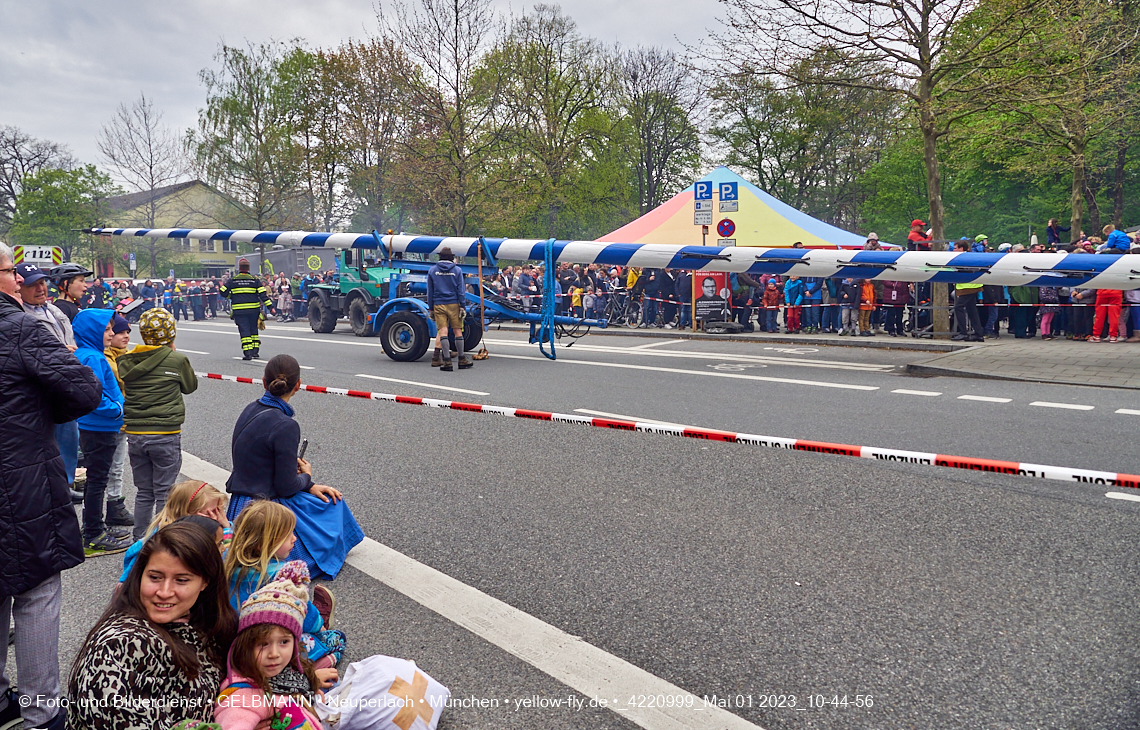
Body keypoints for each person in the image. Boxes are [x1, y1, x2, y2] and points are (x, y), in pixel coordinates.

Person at [0, 243, 101, 730]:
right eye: (9, 272)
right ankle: (41, 712)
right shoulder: (21, 328)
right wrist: (42, 411)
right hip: (21, 483)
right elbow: (84, 388)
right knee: (37, 590)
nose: (18, 282)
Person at [67, 523, 237, 730]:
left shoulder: (205, 624)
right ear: (140, 575)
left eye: (181, 580)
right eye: (155, 577)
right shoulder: (121, 646)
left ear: (205, 582)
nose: (164, 592)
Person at [226, 355, 363, 580]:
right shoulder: (286, 425)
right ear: (298, 385)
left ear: (263, 382)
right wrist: (307, 478)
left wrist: (307, 484)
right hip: (267, 507)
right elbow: (286, 486)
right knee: (333, 505)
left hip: (239, 505)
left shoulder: (250, 409)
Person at [224, 503, 343, 667]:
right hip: (271, 645)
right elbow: (305, 619)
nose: (294, 538)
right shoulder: (284, 577)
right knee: (335, 639)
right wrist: (319, 627)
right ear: (263, 543)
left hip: (234, 643)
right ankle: (315, 668)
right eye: (288, 535)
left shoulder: (227, 562)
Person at [118, 307, 199, 539]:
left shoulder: (127, 360)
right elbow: (190, 386)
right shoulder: (176, 360)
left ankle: (139, 540)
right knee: (164, 491)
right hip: (165, 432)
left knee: (144, 491)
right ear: (171, 334)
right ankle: (162, 539)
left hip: (135, 433)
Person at [73, 308, 133, 556]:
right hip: (100, 426)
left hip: (94, 426)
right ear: (92, 332)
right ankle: (94, 534)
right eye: (106, 329)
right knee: (98, 481)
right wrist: (117, 410)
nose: (111, 333)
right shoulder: (94, 358)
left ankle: (95, 528)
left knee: (96, 480)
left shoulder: (88, 353)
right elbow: (93, 395)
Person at [120, 479, 233, 581]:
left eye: (220, 510)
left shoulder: (211, 529)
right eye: (212, 512)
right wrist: (227, 531)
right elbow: (225, 561)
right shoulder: (162, 541)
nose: (218, 517)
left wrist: (225, 526)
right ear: (189, 515)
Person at [104, 313, 136, 531]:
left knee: (117, 466)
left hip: (123, 420)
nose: (125, 336)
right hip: (111, 421)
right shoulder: (107, 358)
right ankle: (113, 506)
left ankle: (114, 503)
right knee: (111, 468)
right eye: (120, 332)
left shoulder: (125, 355)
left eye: (127, 333)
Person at [427, 247, 470, 370]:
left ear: (440, 257)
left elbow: (430, 291)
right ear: (451, 257)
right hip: (454, 304)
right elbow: (461, 290)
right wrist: (463, 305)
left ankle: (447, 362)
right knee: (457, 331)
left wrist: (431, 308)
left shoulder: (432, 270)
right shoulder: (457, 270)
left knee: (443, 331)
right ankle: (462, 359)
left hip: (438, 304)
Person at [220, 259, 272, 360]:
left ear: (239, 268)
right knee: (253, 329)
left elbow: (222, 291)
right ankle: (255, 352)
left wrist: (231, 296)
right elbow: (263, 295)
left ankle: (247, 353)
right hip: (254, 310)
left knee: (244, 331)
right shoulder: (254, 280)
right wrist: (271, 308)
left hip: (239, 311)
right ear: (248, 268)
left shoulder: (233, 280)